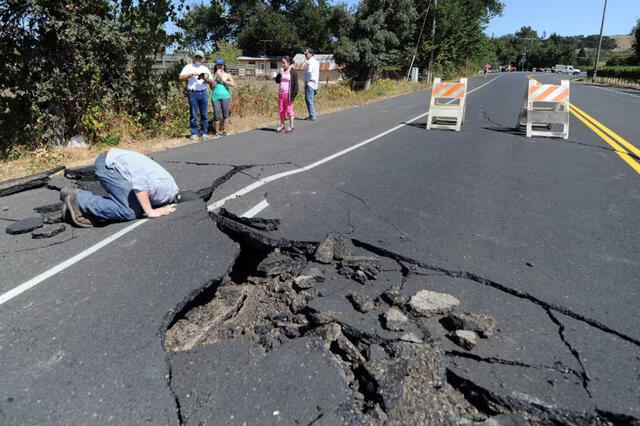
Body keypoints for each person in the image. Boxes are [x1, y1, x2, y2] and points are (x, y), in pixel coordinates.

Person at [60, 148, 198, 227]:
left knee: (136, 205)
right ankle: (78, 199)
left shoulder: (171, 187)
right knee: (130, 212)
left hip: (114, 161)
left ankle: (79, 200)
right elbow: (140, 183)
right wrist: (150, 211)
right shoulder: (164, 192)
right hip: (108, 165)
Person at [179, 50, 211, 140]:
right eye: (197, 57)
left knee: (204, 114)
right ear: (194, 57)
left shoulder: (205, 69)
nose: (198, 59)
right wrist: (191, 74)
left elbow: (210, 81)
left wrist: (206, 79)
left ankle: (204, 133)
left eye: (200, 57)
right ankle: (194, 133)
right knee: (193, 114)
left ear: (202, 59)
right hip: (193, 93)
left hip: (203, 91)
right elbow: (180, 77)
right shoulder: (188, 67)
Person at [208, 57, 235, 139]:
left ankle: (225, 131)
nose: (219, 66)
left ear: (223, 66)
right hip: (215, 97)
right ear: (216, 66)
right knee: (216, 114)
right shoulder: (213, 75)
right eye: (218, 65)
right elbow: (212, 87)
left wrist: (223, 80)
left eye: (221, 65)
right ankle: (216, 132)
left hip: (225, 96)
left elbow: (233, 84)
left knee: (225, 114)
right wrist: (215, 78)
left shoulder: (227, 75)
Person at [274, 55, 298, 133]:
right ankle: (282, 126)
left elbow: (295, 85)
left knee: (289, 110)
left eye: (284, 63)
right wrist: (280, 74)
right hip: (281, 94)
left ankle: (291, 126)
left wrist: (293, 96)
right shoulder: (282, 70)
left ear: (288, 62)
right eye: (282, 63)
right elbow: (277, 81)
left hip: (288, 94)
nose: (282, 64)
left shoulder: (293, 71)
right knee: (281, 110)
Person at [303, 48, 319, 121]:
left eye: (306, 53)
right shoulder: (315, 61)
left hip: (310, 83)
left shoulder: (310, 62)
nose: (305, 55)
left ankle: (312, 115)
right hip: (313, 83)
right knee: (309, 99)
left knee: (309, 99)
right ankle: (312, 115)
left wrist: (306, 82)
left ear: (311, 54)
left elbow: (309, 73)